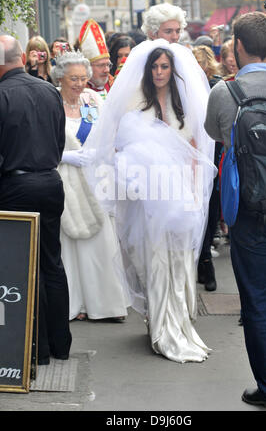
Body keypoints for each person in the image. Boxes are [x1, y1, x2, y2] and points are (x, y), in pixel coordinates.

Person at [83, 38, 216, 363]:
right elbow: (118, 147)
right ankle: (160, 327)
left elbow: (197, 153)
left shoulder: (183, 105)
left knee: (179, 264)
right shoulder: (136, 105)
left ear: (172, 70)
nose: (159, 72)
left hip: (179, 199)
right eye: (155, 66)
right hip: (148, 201)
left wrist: (196, 195)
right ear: (148, 70)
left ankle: (177, 322)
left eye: (164, 66)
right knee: (154, 264)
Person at [205, 11, 266, 410]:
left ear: (238, 47)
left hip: (248, 214)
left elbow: (215, 133)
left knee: (258, 301)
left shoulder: (225, 93)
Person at [0, 35, 72, 365]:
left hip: (16, 185)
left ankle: (36, 348)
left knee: (22, 267)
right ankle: (60, 344)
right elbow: (58, 143)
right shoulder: (48, 91)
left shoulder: (3, 94)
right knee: (51, 262)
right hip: (49, 181)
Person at [51, 51, 129, 322]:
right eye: (73, 78)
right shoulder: (51, 102)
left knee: (101, 242)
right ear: (59, 78)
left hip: (94, 179)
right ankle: (75, 304)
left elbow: (108, 133)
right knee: (69, 245)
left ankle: (105, 304)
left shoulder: (92, 100)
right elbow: (40, 141)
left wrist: (101, 151)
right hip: (65, 179)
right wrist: (63, 156)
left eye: (83, 78)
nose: (79, 84)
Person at [193, 45, 223, 290]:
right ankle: (201, 259)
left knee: (211, 209)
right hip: (191, 160)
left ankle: (205, 260)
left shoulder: (216, 87)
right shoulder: (183, 92)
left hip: (212, 156)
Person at [78, 19, 114, 100]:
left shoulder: (115, 85)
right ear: (87, 67)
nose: (107, 70)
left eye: (108, 64)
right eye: (101, 65)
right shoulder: (78, 90)